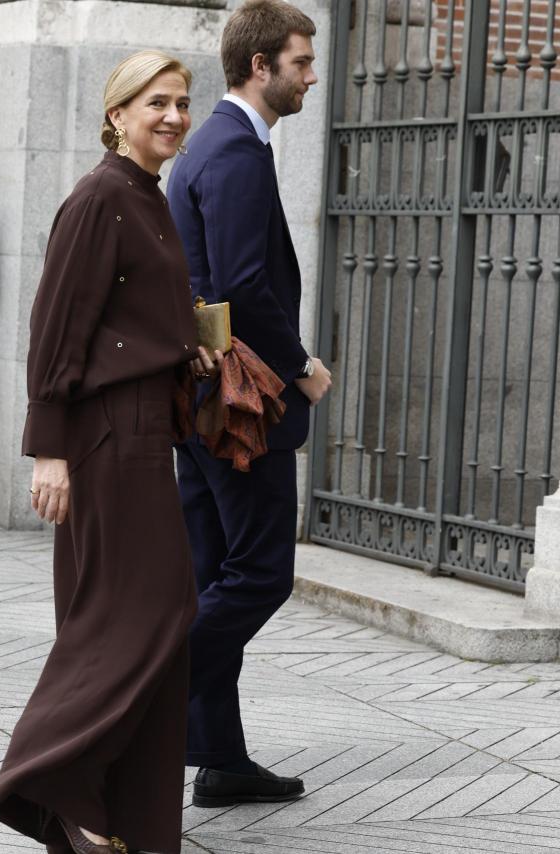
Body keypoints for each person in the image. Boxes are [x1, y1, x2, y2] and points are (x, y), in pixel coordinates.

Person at [0, 50, 218, 854]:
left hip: (148, 428)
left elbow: (127, 321)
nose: (175, 117)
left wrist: (182, 346)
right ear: (117, 113)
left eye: (184, 103)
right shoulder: (99, 199)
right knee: (136, 616)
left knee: (144, 618)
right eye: (157, 102)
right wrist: (48, 452)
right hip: (105, 436)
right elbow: (55, 331)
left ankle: (126, 824)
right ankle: (51, 782)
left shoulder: (146, 198)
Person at [167, 0, 332, 808]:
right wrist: (300, 364)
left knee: (216, 575)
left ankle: (222, 759)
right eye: (301, 61)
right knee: (260, 574)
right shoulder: (235, 150)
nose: (311, 75)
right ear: (259, 66)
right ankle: (137, 706)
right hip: (239, 408)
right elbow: (236, 285)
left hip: (205, 402)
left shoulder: (212, 147)